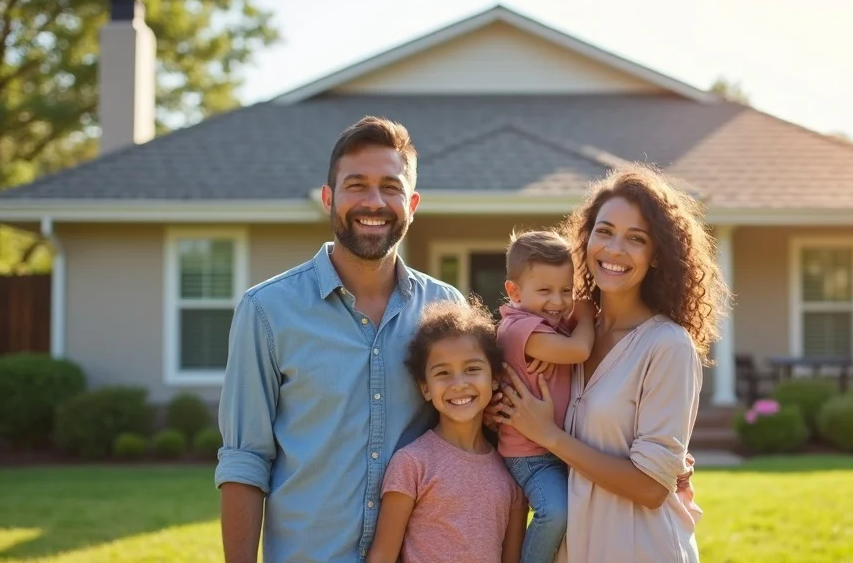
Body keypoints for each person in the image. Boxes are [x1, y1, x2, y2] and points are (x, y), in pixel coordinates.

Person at [214, 116, 465, 563]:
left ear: (413, 203)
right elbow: (244, 461)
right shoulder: (267, 310)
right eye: (356, 185)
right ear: (329, 198)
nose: (374, 202)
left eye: (391, 187)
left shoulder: (445, 309)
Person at [493, 163, 727, 563]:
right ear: (585, 240)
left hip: (642, 549)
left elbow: (652, 488)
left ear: (656, 256)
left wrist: (550, 436)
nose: (614, 250)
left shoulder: (667, 346)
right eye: (604, 232)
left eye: (635, 239)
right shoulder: (561, 334)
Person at [367, 300, 527, 563]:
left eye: (472, 369)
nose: (459, 384)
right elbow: (382, 555)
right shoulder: (412, 464)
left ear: (495, 377)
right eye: (443, 373)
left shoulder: (511, 472)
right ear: (425, 387)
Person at [495, 229, 595, 563]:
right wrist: (585, 312)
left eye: (567, 290)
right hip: (530, 454)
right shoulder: (520, 327)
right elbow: (580, 349)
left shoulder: (545, 323)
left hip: (555, 447)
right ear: (514, 291)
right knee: (554, 513)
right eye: (545, 291)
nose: (558, 301)